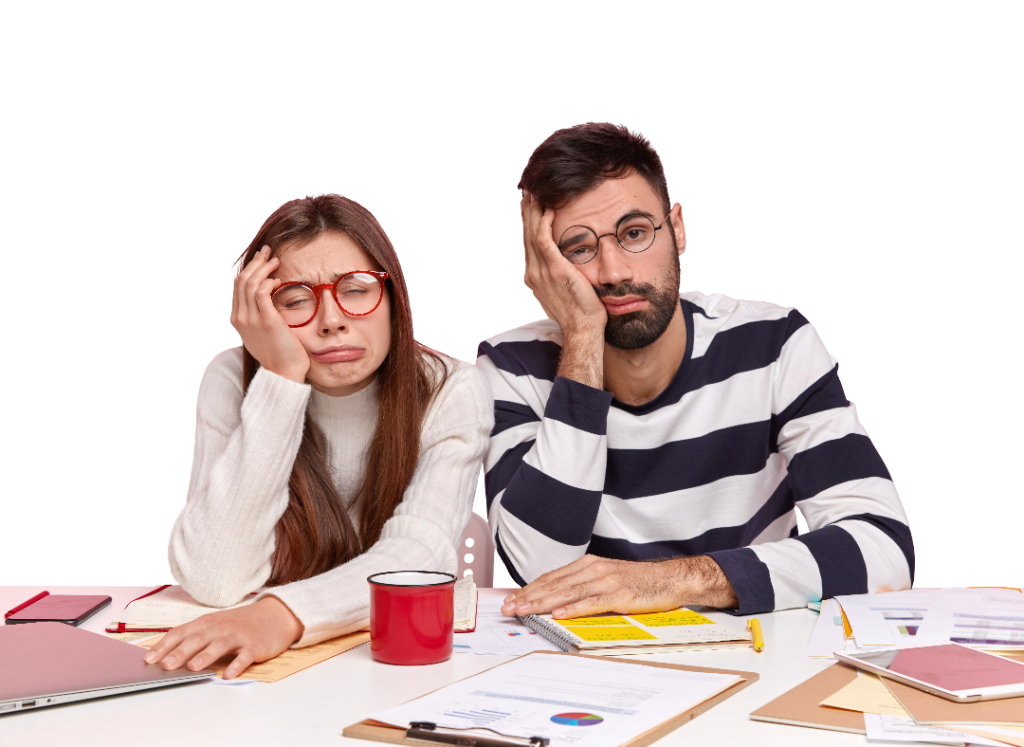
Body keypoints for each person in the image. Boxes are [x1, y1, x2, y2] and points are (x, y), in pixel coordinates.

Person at [477, 122, 913, 621]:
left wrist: (669, 581)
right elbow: (540, 573)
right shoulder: (511, 365)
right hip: (594, 667)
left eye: (635, 233)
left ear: (678, 228)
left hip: (758, 657)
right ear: (543, 265)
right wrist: (581, 336)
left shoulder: (772, 344)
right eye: (579, 248)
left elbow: (884, 548)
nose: (614, 271)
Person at [145, 193, 492, 679]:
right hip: (261, 682)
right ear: (261, 312)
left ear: (393, 298)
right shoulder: (230, 376)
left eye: (355, 289)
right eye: (295, 300)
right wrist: (281, 376)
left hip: (393, 667)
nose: (331, 321)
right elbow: (214, 577)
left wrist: (280, 615)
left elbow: (418, 554)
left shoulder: (451, 386)